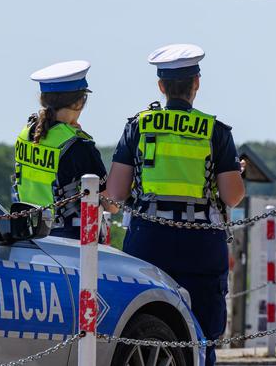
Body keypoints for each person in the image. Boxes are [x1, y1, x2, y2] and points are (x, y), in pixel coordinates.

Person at [106, 44, 245, 365]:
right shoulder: (215, 131)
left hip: (148, 241)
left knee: (144, 325)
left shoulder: (139, 126)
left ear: (161, 87)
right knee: (203, 335)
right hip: (202, 244)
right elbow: (232, 196)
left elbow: (115, 192)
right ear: (196, 83)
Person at [13, 60, 109, 239]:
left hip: (28, 233)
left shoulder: (25, 134)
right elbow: (111, 204)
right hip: (67, 239)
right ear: (79, 102)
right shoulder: (78, 144)